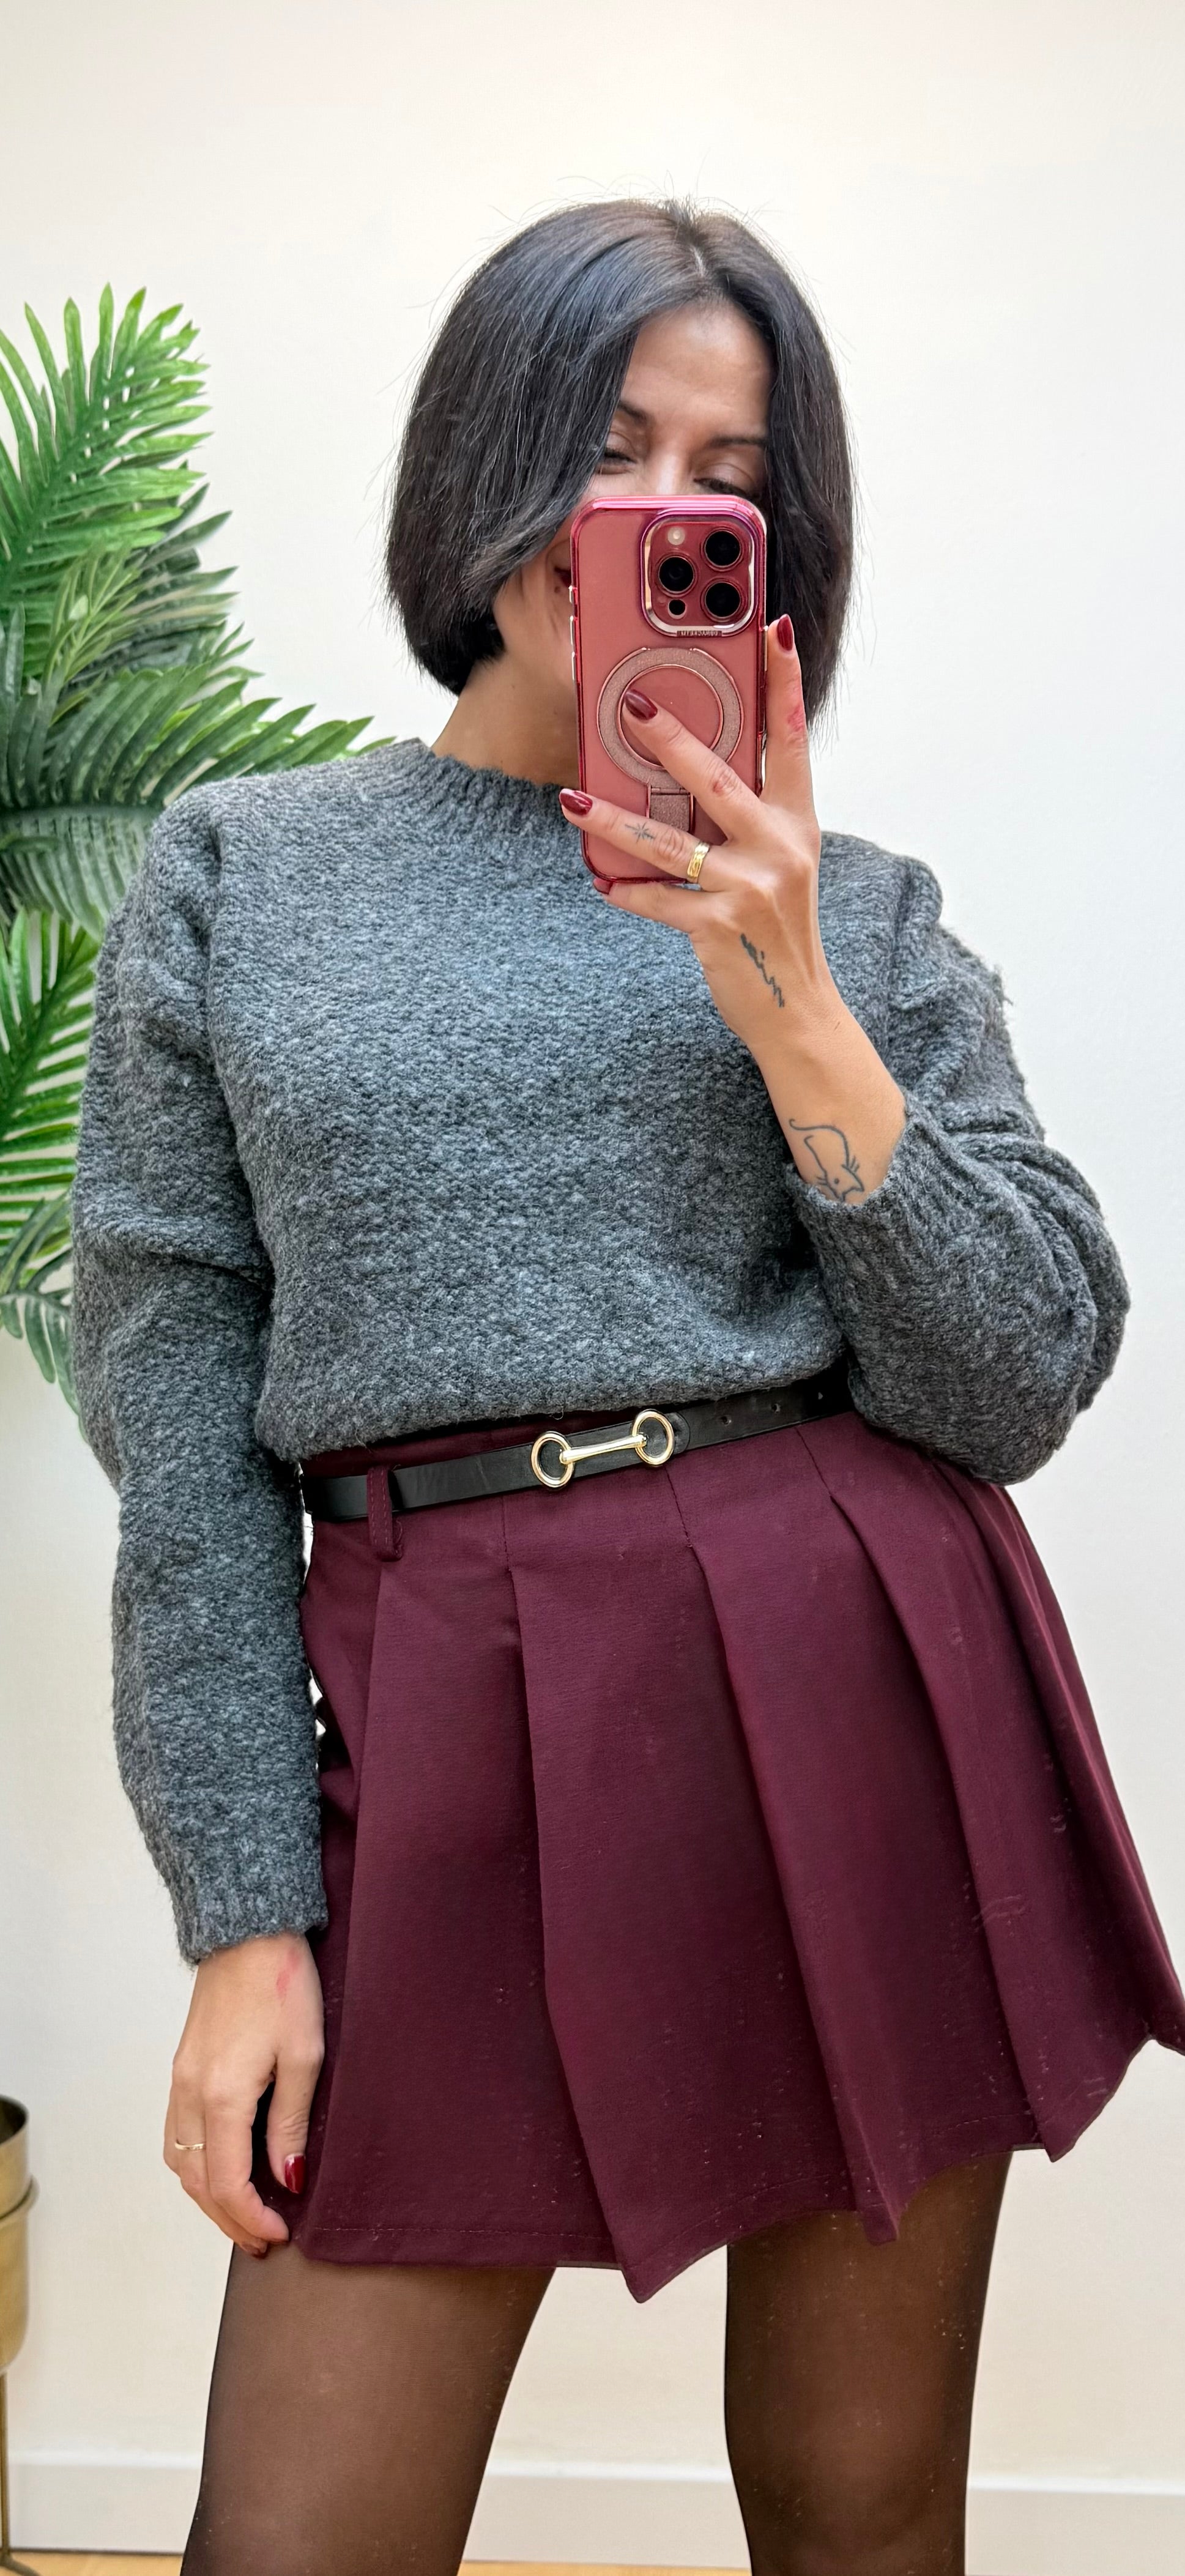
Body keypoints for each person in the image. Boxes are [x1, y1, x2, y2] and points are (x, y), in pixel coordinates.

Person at [72, 198, 1185, 2576]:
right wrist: (244, 1920)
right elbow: (176, 1431)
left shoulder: (850, 906)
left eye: (727, 479)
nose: (662, 514)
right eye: (608, 449)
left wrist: (785, 995)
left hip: (846, 1663)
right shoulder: (241, 872)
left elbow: (1012, 1378)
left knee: (860, 2516)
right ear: (478, 463)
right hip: (439, 1694)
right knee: (298, 2539)